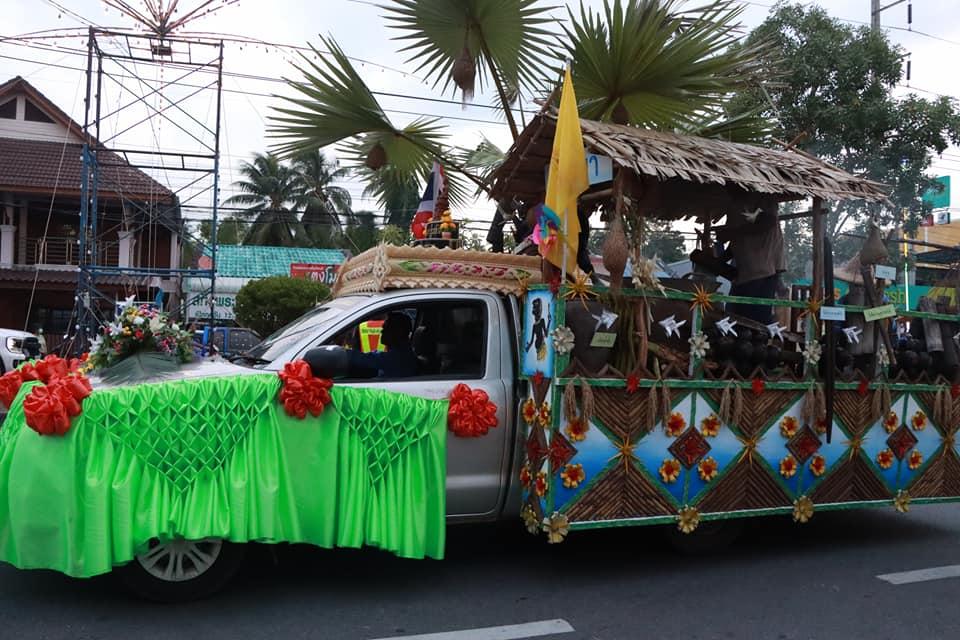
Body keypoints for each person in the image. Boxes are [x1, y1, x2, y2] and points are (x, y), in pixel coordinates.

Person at [717, 196, 785, 324]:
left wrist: (732, 233)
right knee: (735, 318)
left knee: (754, 321)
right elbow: (736, 243)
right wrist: (718, 260)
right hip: (745, 274)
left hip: (761, 272)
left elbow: (768, 222)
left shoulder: (762, 199)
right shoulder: (735, 206)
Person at [348, 312, 417, 378]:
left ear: (399, 332)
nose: (381, 331)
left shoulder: (397, 357)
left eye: (386, 328)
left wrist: (344, 353)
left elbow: (368, 358)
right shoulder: (404, 353)